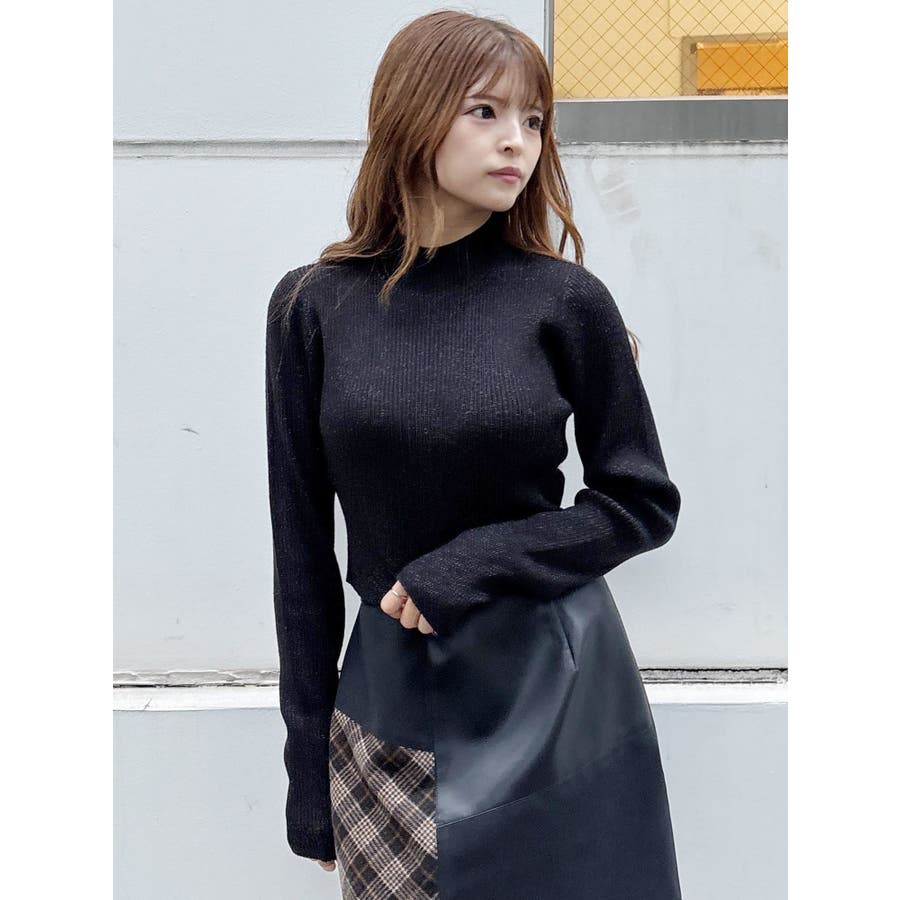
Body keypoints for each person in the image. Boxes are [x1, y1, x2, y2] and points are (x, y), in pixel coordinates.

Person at [265, 9, 682, 899]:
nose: (517, 141)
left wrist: (472, 562)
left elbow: (641, 501)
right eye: (485, 111)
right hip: (390, 695)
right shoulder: (313, 305)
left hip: (556, 690)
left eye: (534, 119)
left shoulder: (565, 300)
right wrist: (307, 766)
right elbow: (300, 552)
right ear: (412, 114)